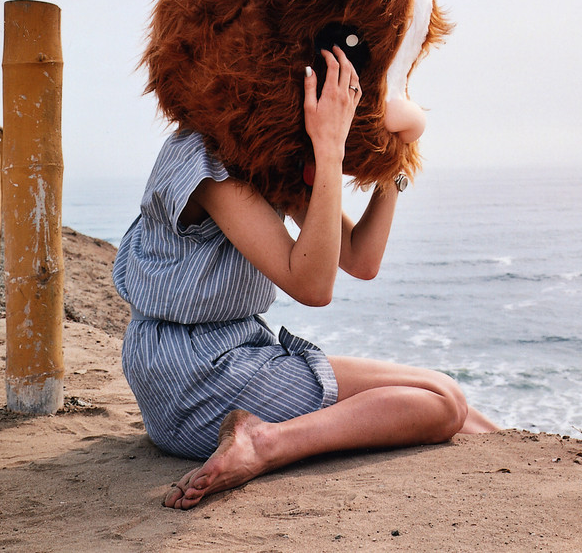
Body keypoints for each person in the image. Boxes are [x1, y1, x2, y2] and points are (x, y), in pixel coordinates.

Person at [113, 46, 498, 510]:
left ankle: (520, 452)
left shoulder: (260, 156)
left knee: (466, 415)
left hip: (206, 362)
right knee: (444, 400)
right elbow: (314, 288)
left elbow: (361, 259)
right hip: (198, 374)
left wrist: (395, 161)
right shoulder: (203, 158)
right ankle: (264, 442)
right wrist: (329, 147)